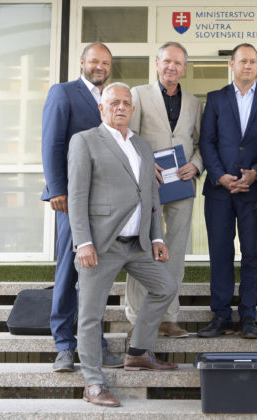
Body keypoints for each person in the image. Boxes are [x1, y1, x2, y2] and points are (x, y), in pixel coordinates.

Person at [68, 83, 178, 407]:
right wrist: (83, 242)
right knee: (91, 314)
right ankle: (92, 384)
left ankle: (139, 352)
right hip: (101, 244)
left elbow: (151, 194)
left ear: (132, 109)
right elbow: (76, 196)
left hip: (138, 244)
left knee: (165, 287)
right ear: (101, 108)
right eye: (114, 102)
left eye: (126, 103)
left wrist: (157, 237)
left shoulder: (142, 145)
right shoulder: (85, 140)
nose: (120, 107)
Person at [41, 42, 123, 371]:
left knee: (95, 276)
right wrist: (57, 189)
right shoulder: (63, 93)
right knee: (68, 271)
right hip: (71, 200)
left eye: (105, 62)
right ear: (82, 62)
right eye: (94, 61)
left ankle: (94, 344)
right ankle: (63, 344)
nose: (99, 67)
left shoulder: (112, 99)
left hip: (103, 203)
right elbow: (52, 142)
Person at [198, 43, 257, 339]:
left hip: (253, 191)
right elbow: (207, 141)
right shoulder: (215, 98)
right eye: (243, 61)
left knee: (252, 253)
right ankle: (221, 315)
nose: (248, 66)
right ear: (231, 64)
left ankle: (248, 315)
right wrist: (220, 176)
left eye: (253, 61)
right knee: (220, 253)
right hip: (219, 191)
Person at [126, 41, 203, 339]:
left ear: (185, 68)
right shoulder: (138, 94)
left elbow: (201, 143)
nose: (172, 67)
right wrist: (145, 164)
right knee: (142, 247)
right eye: (166, 61)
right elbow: (128, 136)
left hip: (181, 184)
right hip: (147, 182)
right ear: (157, 64)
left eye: (178, 63)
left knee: (176, 249)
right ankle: (137, 317)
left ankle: (169, 317)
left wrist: (196, 165)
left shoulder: (194, 103)